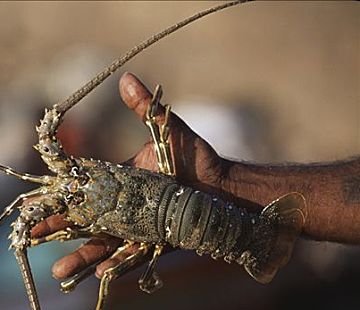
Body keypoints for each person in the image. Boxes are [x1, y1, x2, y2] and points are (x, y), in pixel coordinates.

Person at [31, 72, 360, 282]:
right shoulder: (100, 171)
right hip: (190, 212)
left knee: (79, 265)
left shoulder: (83, 216)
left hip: (194, 221)